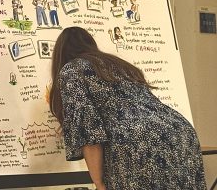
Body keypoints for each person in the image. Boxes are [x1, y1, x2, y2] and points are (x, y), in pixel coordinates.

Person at [48, 27, 205, 190]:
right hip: (180, 131)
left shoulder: (72, 70)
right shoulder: (119, 65)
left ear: (61, 54)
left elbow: (90, 133)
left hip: (137, 142)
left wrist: (99, 183)